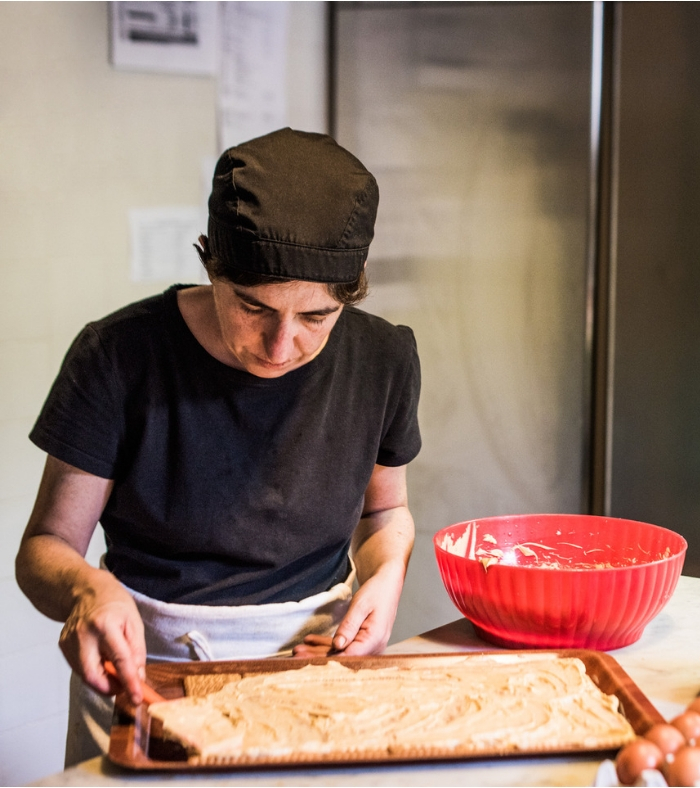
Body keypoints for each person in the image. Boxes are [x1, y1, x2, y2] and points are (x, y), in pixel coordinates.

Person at [15, 128, 421, 764]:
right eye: (254, 308)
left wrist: (387, 575)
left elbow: (385, 513)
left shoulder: (384, 358)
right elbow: (45, 549)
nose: (281, 345)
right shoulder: (119, 356)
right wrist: (87, 592)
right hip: (146, 677)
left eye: (316, 318)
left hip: (318, 670)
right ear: (210, 264)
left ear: (350, 292)